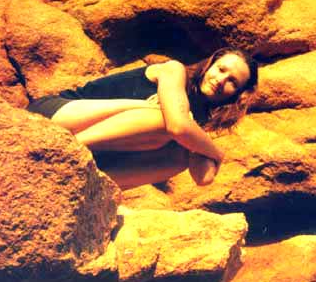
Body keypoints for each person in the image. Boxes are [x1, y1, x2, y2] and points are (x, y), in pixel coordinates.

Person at [26, 47, 258, 190]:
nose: (221, 79)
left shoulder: (196, 121)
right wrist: (217, 154)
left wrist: (198, 143)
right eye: (221, 69)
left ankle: (93, 184)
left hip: (95, 145)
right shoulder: (174, 71)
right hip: (56, 114)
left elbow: (203, 178)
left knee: (179, 155)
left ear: (238, 95)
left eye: (233, 82)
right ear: (209, 65)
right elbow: (177, 126)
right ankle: (65, 154)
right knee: (163, 121)